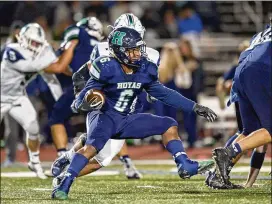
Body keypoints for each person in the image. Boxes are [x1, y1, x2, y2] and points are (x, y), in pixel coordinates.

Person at [51, 26, 217, 200]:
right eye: (132, 51)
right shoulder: (106, 67)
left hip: (127, 119)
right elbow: (82, 97)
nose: (138, 54)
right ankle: (64, 184)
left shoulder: (145, 68)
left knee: (169, 125)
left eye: (138, 49)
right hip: (104, 117)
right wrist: (84, 102)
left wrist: (194, 107)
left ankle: (184, 164)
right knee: (91, 149)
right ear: (119, 51)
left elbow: (164, 93)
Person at [51, 13, 156, 180]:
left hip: (128, 99)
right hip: (107, 101)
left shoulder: (147, 54)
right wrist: (83, 96)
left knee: (99, 139)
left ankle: (68, 158)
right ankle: (64, 177)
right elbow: (83, 74)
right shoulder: (101, 49)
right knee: (104, 151)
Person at [0, 23, 73, 178]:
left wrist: (60, 101)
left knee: (33, 128)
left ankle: (34, 162)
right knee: (10, 132)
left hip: (18, 96)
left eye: (38, 44)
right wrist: (52, 58)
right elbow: (29, 66)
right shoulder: (11, 49)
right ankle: (10, 158)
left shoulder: (41, 55)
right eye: (33, 42)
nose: (36, 47)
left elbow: (51, 79)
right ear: (24, 39)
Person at [212, 23, 271, 188]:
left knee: (249, 131)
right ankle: (229, 153)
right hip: (261, 71)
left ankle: (216, 175)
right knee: (269, 131)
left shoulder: (261, 34)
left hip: (241, 72)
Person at [48, 16, 104, 157]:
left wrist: (51, 66)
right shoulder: (102, 44)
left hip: (82, 84)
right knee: (108, 120)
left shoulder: (77, 31)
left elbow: (63, 64)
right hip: (104, 85)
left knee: (57, 117)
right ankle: (127, 162)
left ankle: (62, 156)